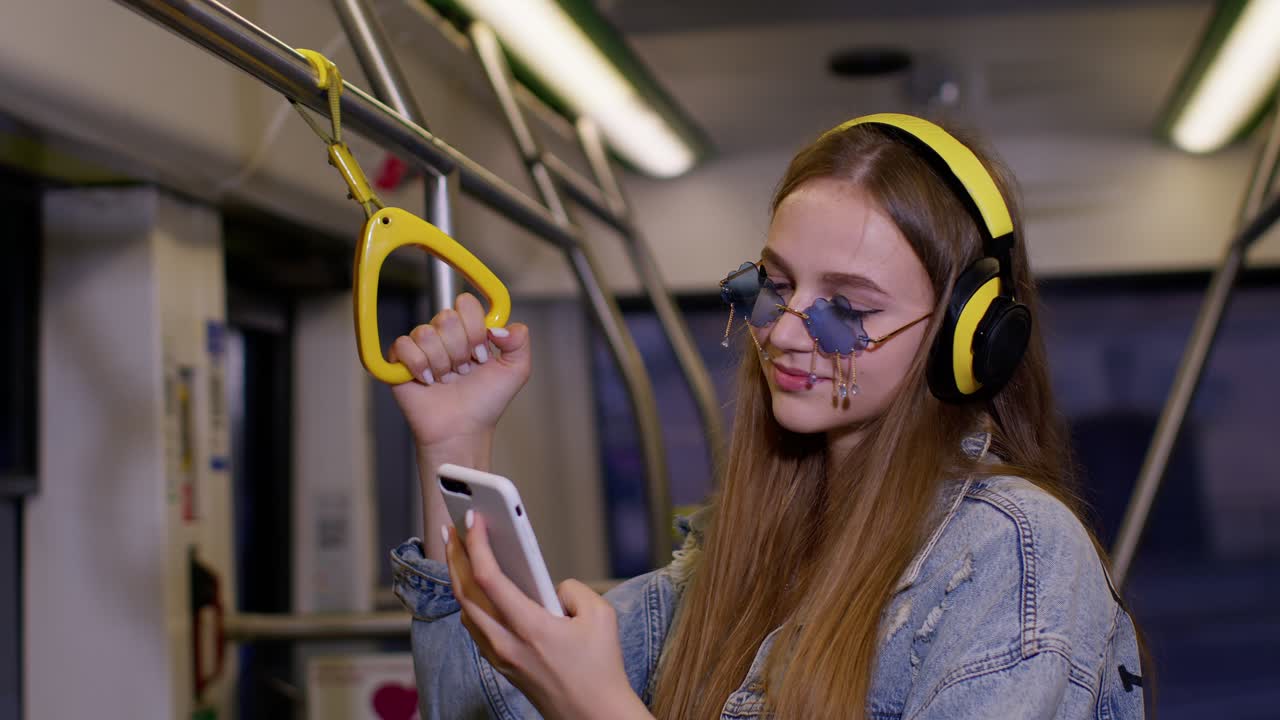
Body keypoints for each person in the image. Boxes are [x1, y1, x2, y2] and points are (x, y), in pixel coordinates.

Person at [385, 114, 1148, 719]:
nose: (783, 331)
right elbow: (473, 702)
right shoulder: (732, 559)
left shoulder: (1011, 556)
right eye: (774, 286)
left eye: (847, 307)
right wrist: (455, 438)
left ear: (968, 339)